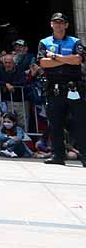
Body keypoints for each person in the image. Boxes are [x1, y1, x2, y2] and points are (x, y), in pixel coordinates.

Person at [38, 12, 86, 166]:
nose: (58, 25)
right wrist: (66, 60)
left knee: (80, 123)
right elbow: (43, 63)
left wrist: (55, 57)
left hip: (74, 88)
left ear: (66, 25)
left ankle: (84, 155)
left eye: (61, 22)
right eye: (55, 22)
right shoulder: (44, 42)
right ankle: (58, 155)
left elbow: (78, 60)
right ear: (51, 24)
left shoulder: (75, 42)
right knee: (55, 124)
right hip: (54, 89)